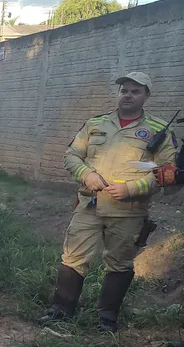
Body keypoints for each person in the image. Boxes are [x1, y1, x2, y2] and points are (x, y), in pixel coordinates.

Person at [38, 72, 178, 332]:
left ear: (147, 95)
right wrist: (86, 174)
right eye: (124, 90)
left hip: (129, 210)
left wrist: (131, 189)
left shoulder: (159, 130)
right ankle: (61, 310)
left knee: (119, 263)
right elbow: (71, 155)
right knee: (73, 257)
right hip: (89, 205)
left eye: (135, 91)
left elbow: (166, 173)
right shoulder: (95, 124)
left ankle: (107, 319)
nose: (128, 95)